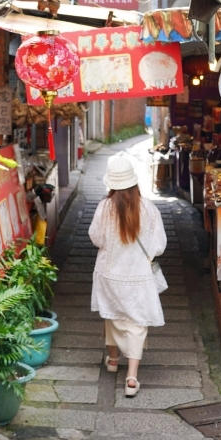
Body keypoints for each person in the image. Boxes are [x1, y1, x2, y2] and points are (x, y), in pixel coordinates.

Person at [89, 153, 166, 397]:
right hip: (138, 277)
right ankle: (131, 378)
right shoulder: (149, 208)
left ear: (112, 183)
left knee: (112, 315)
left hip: (109, 274)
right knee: (136, 324)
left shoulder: (105, 207)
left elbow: (96, 238)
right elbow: (159, 245)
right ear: (134, 182)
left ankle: (113, 361)